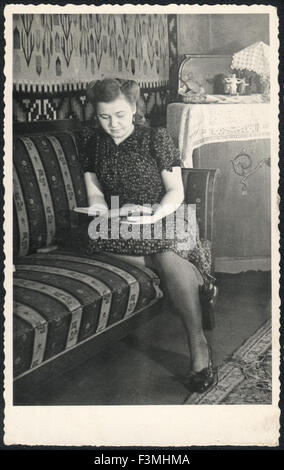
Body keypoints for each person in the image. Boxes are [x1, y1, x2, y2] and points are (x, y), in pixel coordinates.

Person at [79, 77, 217, 393]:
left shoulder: (156, 138)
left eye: (119, 116)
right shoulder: (92, 142)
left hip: (163, 214)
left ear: (133, 109)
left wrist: (152, 214)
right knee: (92, 237)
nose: (112, 124)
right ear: (96, 115)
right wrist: (101, 209)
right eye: (104, 117)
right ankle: (197, 279)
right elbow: (96, 193)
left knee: (163, 249)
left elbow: (175, 192)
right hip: (119, 219)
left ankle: (198, 346)